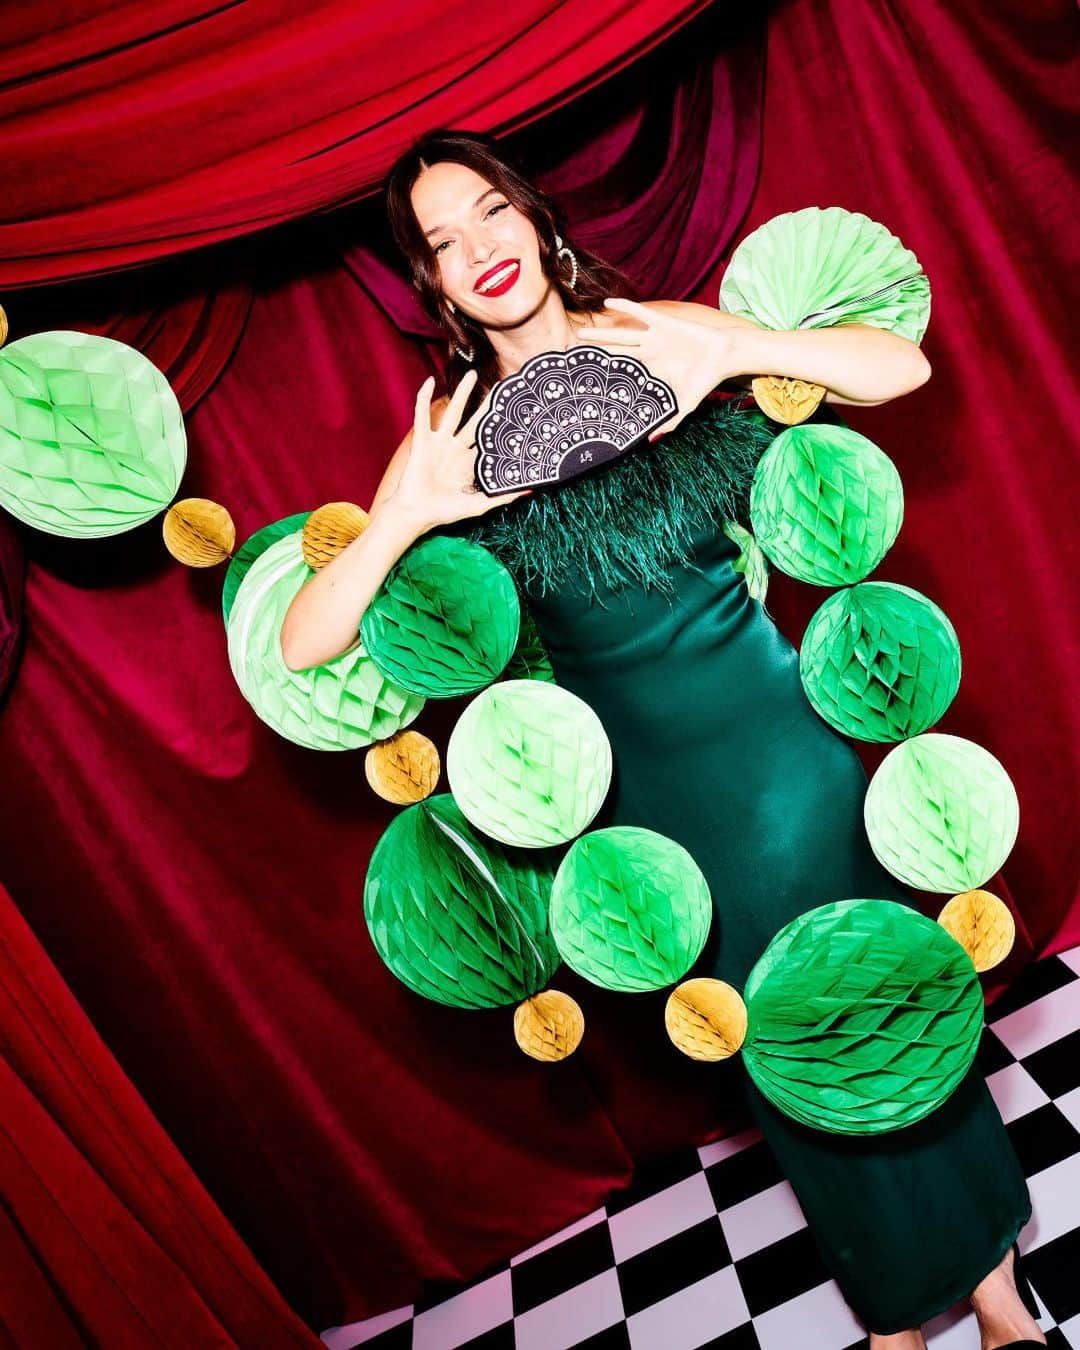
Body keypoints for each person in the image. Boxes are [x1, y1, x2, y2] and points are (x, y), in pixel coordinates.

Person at [280, 130, 1044, 1350]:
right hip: (655, 807)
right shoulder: (450, 439)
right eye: (444, 241)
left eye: (491, 213)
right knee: (780, 1051)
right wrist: (406, 514)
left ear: (533, 218)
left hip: (789, 749)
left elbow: (893, 364)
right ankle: (897, 1303)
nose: (480, 250)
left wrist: (732, 349)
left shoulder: (658, 333)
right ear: (429, 279)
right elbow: (308, 640)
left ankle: (996, 1285)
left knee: (889, 991)